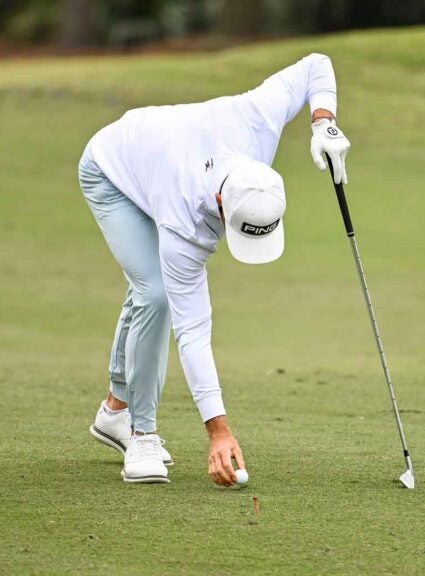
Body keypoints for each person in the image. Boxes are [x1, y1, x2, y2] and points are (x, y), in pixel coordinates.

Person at [79, 53, 351, 486]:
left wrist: (324, 122)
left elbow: (316, 64)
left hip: (156, 153)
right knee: (155, 293)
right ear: (223, 207)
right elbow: (193, 333)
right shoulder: (182, 216)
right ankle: (141, 432)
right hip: (111, 169)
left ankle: (114, 410)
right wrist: (218, 431)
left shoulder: (257, 120)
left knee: (148, 288)